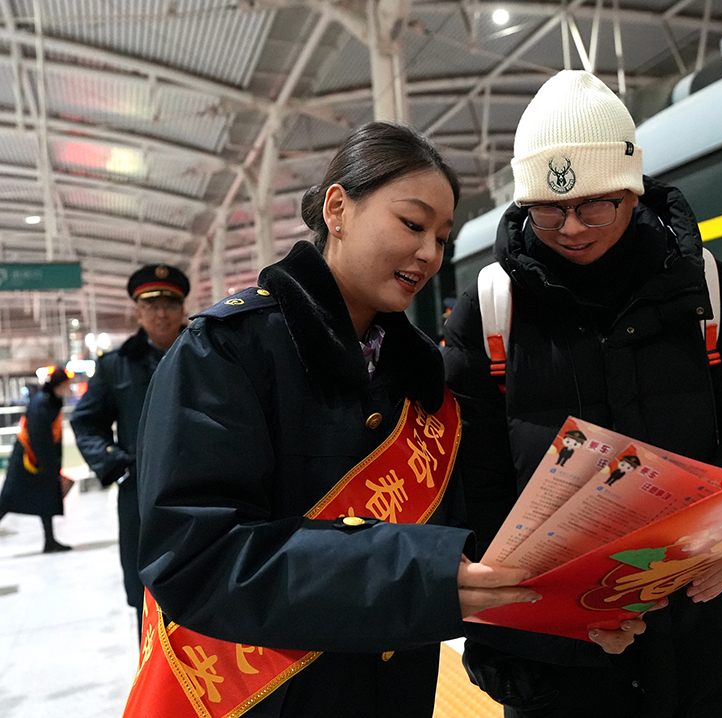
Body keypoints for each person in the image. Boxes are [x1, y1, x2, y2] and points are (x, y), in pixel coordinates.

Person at [122, 122, 538, 718]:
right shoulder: (226, 354)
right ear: (337, 208)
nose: (429, 253)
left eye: (442, 238)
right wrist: (412, 576)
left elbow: (471, 537)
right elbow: (194, 556)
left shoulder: (424, 382)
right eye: (413, 224)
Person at [443, 71, 722, 718]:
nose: (571, 227)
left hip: (708, 648)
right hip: (566, 666)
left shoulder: (702, 287)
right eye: (547, 210)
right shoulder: (491, 310)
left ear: (633, 190)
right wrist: (533, 626)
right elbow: (476, 485)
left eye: (595, 204)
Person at [70, 262, 190, 633]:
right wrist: (117, 465)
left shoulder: (211, 353)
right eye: (151, 305)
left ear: (183, 308)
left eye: (169, 304)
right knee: (147, 599)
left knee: (210, 584)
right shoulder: (115, 366)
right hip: (141, 500)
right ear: (137, 311)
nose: (161, 313)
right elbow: (86, 421)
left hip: (206, 489)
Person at [0, 365, 76, 553]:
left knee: (46, 500)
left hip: (43, 460)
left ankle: (50, 541)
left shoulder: (51, 401)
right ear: (61, 384)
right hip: (28, 459)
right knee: (8, 499)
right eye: (68, 384)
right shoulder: (41, 403)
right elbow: (38, 436)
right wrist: (50, 466)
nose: (69, 389)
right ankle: (50, 541)